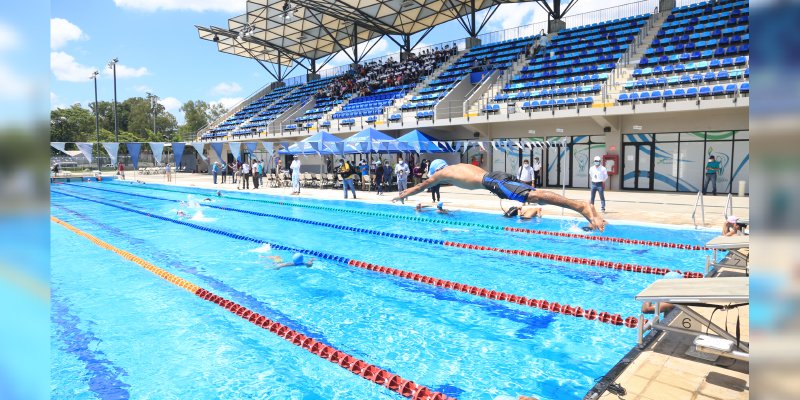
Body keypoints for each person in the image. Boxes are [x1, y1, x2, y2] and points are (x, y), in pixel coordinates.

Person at [393, 159, 605, 231]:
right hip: (494, 177)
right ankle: (585, 210)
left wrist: (403, 193)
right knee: (533, 195)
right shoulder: (457, 166)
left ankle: (581, 206)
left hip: (492, 182)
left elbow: (422, 186)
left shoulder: (440, 173)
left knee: (534, 196)